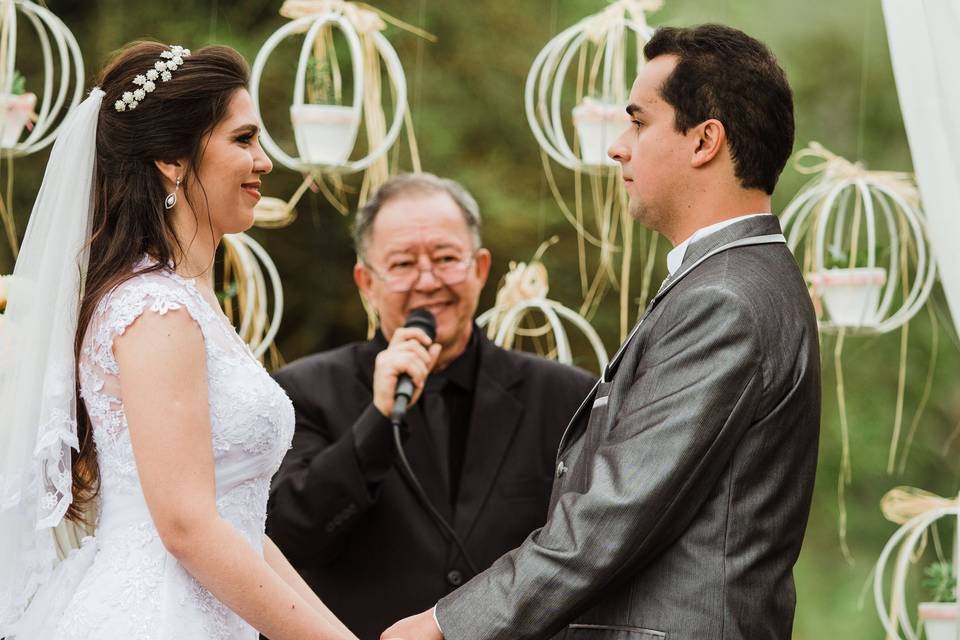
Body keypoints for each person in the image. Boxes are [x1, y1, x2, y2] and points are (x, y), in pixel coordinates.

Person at [383, 24, 821, 640]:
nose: (618, 147)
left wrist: (446, 626)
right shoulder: (737, 278)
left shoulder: (723, 299)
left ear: (704, 140)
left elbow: (614, 515)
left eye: (639, 123)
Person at [0, 42, 356, 640]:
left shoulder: (188, 301)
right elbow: (188, 526)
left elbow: (236, 524)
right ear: (173, 158)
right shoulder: (152, 308)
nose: (265, 161)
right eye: (243, 140)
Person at [266, 173, 597, 640]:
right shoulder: (300, 392)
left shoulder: (565, 396)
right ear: (366, 281)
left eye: (445, 258)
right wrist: (377, 421)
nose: (428, 281)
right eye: (402, 264)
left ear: (480, 268)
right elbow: (286, 541)